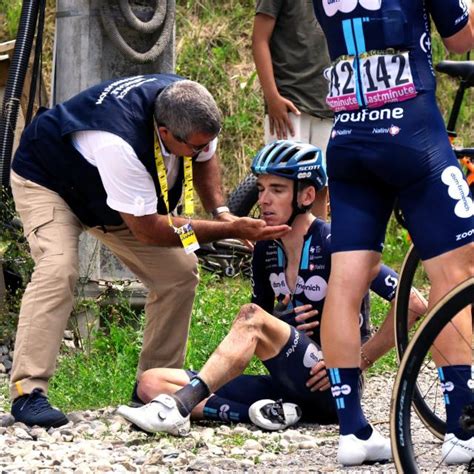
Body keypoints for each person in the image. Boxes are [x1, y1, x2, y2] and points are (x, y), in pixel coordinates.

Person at [8, 74, 290, 429]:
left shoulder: (190, 105)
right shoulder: (117, 143)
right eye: (194, 146)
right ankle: (27, 392)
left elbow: (204, 159)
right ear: (165, 131)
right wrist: (230, 229)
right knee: (59, 268)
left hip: (112, 200)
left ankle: (153, 388)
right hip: (49, 182)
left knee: (178, 274)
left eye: (207, 144)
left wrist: (221, 212)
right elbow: (149, 230)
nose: (201, 152)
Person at [116, 140, 426, 436]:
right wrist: (286, 322)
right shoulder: (265, 250)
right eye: (261, 188)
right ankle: (266, 413)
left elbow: (413, 303)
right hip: (285, 383)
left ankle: (181, 406)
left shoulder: (334, 241)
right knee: (150, 382)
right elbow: (257, 328)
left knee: (249, 319)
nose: (263, 199)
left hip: (333, 387)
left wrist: (362, 359)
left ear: (305, 197)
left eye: (277, 190)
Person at [310, 0, 474, 466]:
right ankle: (462, 425)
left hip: (348, 137)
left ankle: (352, 433)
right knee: (457, 276)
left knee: (345, 284)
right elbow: (462, 40)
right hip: (412, 133)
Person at [252, 0, 333, 219]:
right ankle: (278, 250)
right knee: (282, 184)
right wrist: (272, 97)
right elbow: (259, 39)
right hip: (289, 103)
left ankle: (315, 249)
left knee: (319, 185)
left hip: (328, 102)